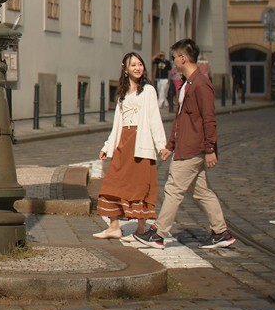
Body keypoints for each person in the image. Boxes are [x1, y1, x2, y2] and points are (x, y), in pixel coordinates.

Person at [137, 38, 235, 250]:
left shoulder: (201, 84)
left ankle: (158, 234)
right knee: (202, 192)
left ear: (183, 58)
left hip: (193, 148)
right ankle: (221, 232)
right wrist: (170, 145)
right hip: (187, 146)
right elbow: (181, 119)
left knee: (173, 188)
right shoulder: (187, 83)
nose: (173, 62)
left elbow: (209, 119)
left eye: (174, 58)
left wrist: (210, 149)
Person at [90, 52, 166, 241]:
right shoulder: (122, 94)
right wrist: (107, 146)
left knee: (140, 186)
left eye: (140, 64)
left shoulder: (148, 90)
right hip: (124, 142)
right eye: (133, 65)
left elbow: (155, 119)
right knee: (112, 183)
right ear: (125, 69)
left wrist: (161, 145)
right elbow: (117, 123)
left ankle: (140, 231)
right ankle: (114, 227)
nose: (138, 68)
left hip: (141, 143)